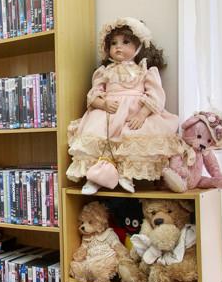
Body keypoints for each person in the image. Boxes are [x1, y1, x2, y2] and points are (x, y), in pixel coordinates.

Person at [67, 18, 181, 194]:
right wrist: (103, 103)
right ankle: (95, 177)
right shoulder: (104, 72)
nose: (118, 47)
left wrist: (142, 114)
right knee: (99, 138)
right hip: (108, 114)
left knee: (132, 140)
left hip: (134, 114)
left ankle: (126, 175)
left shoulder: (144, 71)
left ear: (139, 47)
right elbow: (92, 96)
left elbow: (156, 96)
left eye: (125, 42)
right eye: (114, 43)